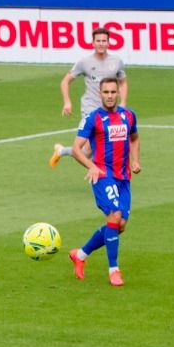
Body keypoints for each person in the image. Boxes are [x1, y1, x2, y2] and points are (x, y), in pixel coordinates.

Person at [68, 77, 140, 287]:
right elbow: (75, 149)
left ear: (118, 93)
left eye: (112, 92)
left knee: (120, 226)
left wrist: (135, 160)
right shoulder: (93, 118)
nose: (109, 96)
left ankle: (79, 255)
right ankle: (114, 270)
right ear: (100, 94)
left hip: (123, 177)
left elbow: (134, 138)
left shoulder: (129, 115)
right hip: (102, 175)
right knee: (115, 215)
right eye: (105, 92)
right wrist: (92, 167)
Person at [50, 26, 127, 169]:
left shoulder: (117, 61)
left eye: (104, 41)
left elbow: (123, 81)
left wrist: (123, 102)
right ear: (93, 43)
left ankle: (61, 151)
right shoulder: (84, 62)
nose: (101, 44)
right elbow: (65, 81)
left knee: (86, 153)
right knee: (96, 144)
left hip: (110, 109)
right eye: (98, 41)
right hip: (90, 108)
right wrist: (67, 102)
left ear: (108, 43)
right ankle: (100, 173)